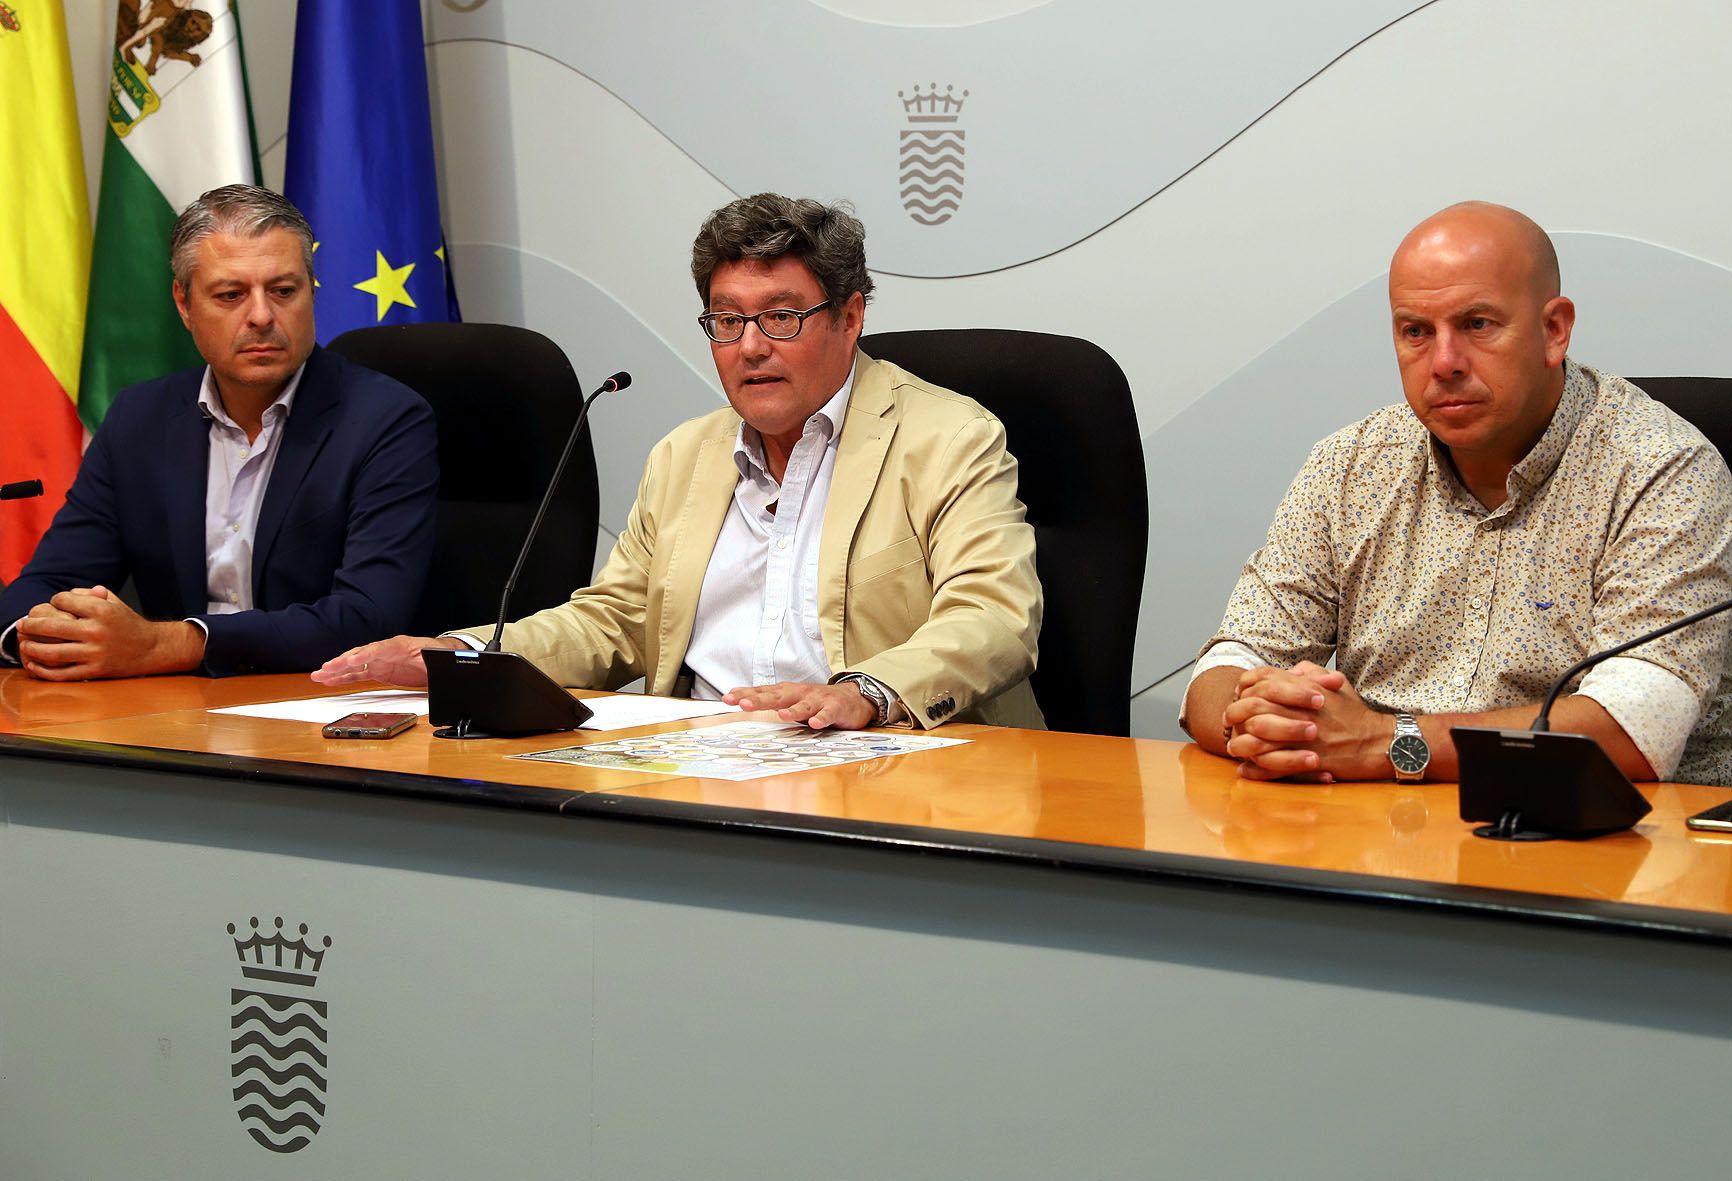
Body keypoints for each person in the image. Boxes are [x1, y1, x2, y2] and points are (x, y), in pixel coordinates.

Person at [315, 193, 1043, 731]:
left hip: (880, 764)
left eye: (780, 316)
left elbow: (993, 615)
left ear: (849, 318)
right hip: (696, 766)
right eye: (727, 320)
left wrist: (868, 690)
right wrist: (461, 653)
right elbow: (618, 621)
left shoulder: (948, 437)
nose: (750, 345)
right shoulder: (686, 453)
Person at [1182, 201, 1732, 785]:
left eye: (1477, 325)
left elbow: (1635, 732)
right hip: (1380, 835)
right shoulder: (1350, 465)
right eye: (1416, 331)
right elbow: (1227, 665)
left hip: (1611, 840)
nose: (1443, 363)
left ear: (1554, 330)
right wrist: (1262, 727)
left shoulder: (1661, 468)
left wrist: (1383, 744)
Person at [0, 185, 438, 680]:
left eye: (284, 290)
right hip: (173, 713)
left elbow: (368, 616)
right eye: (231, 295)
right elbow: (54, 579)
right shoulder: (139, 418)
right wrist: (41, 638)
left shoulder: (386, 420)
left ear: (311, 292)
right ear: (184, 305)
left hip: (316, 706)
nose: (261, 316)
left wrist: (166, 644)